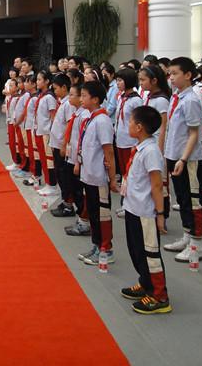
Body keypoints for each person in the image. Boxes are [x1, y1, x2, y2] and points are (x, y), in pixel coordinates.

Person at [121, 105, 171, 315]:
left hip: (145, 212)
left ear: (139, 127)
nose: (128, 125)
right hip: (133, 207)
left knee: (150, 253)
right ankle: (145, 282)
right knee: (137, 250)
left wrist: (160, 214)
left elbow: (156, 185)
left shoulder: (151, 151)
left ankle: (159, 296)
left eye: (131, 121)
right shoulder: (140, 147)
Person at [163, 57, 202, 263]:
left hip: (188, 159)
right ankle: (187, 237)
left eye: (175, 74)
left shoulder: (191, 100)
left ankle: (197, 245)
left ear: (188, 75)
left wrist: (183, 158)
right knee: (182, 199)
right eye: (170, 74)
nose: (171, 78)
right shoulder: (177, 97)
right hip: (175, 155)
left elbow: (194, 133)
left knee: (192, 201)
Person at [75, 80, 117, 265]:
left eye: (84, 96)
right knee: (93, 213)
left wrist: (112, 178)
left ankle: (106, 249)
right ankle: (97, 245)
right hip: (89, 175)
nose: (81, 99)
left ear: (96, 99)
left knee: (102, 214)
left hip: (99, 177)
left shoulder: (102, 120)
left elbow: (109, 151)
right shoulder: (91, 118)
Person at [139, 65, 171, 228]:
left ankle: (162, 215)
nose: (141, 83)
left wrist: (159, 150)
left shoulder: (161, 100)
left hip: (157, 145)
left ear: (154, 81)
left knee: (160, 182)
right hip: (148, 142)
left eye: (143, 80)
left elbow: (163, 127)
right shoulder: (149, 97)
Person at [115, 68, 143, 217]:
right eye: (117, 80)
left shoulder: (135, 100)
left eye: (120, 80)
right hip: (120, 140)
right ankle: (125, 203)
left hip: (131, 142)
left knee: (131, 175)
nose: (118, 83)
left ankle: (131, 205)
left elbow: (138, 122)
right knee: (124, 174)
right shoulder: (121, 97)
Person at [64, 83, 91, 236]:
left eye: (73, 94)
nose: (70, 97)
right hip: (72, 155)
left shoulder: (85, 115)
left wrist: (78, 161)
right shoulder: (77, 113)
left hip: (79, 160)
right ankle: (81, 218)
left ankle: (84, 222)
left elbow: (82, 140)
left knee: (80, 191)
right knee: (74, 188)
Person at [49, 74, 75, 216]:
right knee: (59, 174)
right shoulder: (62, 102)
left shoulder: (69, 105)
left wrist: (64, 145)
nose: (54, 91)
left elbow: (69, 126)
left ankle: (68, 205)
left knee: (64, 176)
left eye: (56, 88)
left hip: (62, 146)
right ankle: (65, 201)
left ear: (64, 87)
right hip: (57, 144)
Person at [33, 71, 59, 196]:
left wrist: (52, 134)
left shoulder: (49, 97)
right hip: (40, 130)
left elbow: (53, 117)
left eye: (39, 79)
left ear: (47, 81)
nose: (37, 82)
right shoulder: (41, 96)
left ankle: (53, 185)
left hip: (47, 132)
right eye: (37, 79)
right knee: (43, 158)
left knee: (49, 160)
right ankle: (48, 183)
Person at [11, 76, 34, 178]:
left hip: (25, 124)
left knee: (26, 148)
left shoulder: (28, 95)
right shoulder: (23, 94)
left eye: (24, 82)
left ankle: (26, 168)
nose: (23, 84)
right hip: (21, 124)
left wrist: (19, 121)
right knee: (21, 146)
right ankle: (22, 165)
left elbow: (25, 111)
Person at [22, 76, 40, 186]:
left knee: (34, 153)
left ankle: (35, 175)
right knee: (30, 152)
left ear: (33, 85)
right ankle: (33, 173)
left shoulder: (35, 98)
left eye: (27, 82)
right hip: (28, 126)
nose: (25, 84)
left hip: (32, 127)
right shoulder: (31, 97)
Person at [3, 78, 23, 172]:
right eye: (9, 86)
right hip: (10, 122)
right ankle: (15, 161)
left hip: (15, 123)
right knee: (12, 143)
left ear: (17, 87)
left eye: (11, 86)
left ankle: (17, 162)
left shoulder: (17, 98)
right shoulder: (11, 97)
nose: (9, 88)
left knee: (16, 143)